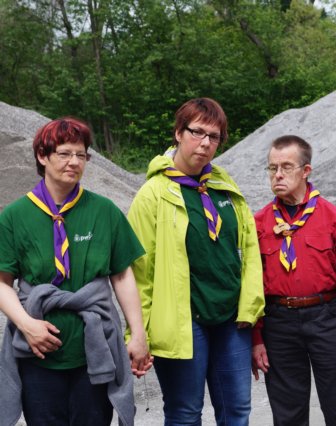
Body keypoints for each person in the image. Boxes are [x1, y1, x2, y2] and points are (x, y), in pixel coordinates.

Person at [0, 117, 151, 426]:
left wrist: (138, 334)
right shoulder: (14, 216)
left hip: (93, 354)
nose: (74, 162)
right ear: (42, 156)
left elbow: (122, 276)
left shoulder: (104, 211)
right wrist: (27, 326)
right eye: (65, 153)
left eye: (81, 155)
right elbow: (2, 283)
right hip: (38, 356)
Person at [127, 97, 264, 426]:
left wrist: (250, 307)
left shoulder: (224, 186)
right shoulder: (152, 194)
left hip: (231, 320)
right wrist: (138, 332)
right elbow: (139, 271)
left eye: (214, 136)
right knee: (185, 414)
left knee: (237, 411)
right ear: (178, 133)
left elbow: (249, 249)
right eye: (197, 132)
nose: (205, 143)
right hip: (182, 322)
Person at [251, 135, 336, 426]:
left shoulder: (333, 218)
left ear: (306, 171)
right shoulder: (259, 223)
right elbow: (251, 285)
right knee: (288, 414)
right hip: (279, 323)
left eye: (286, 167)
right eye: (272, 168)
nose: (278, 175)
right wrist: (256, 337)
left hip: (328, 318)